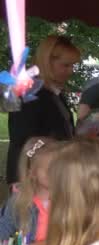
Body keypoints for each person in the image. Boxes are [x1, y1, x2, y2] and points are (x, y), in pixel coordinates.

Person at [7, 35, 80, 186]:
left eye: (73, 65)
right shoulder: (30, 94)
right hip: (31, 178)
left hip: (49, 174)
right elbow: (25, 142)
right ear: (48, 62)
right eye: (65, 65)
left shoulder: (54, 94)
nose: (70, 71)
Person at [0, 137, 57, 240]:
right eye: (50, 169)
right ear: (32, 172)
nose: (57, 173)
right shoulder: (19, 202)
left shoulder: (68, 198)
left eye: (61, 167)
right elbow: (3, 229)